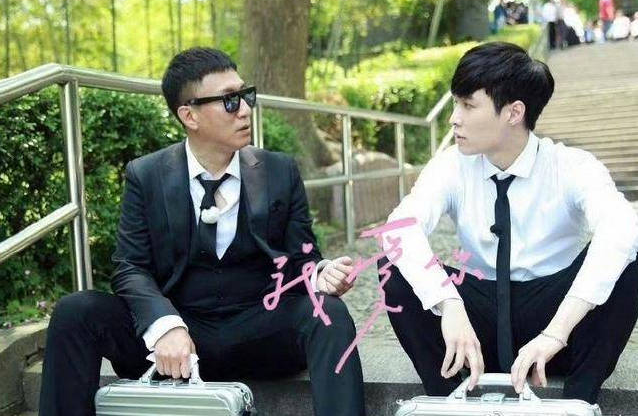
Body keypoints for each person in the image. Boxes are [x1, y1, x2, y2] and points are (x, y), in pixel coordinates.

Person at [38, 47, 366, 416]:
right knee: (76, 311)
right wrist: (165, 325)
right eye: (229, 100)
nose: (245, 109)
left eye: (245, 95)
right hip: (177, 338)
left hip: (260, 331)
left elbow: (302, 257)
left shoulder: (278, 171)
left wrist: (322, 274)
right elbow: (130, 267)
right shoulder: (147, 175)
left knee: (329, 313)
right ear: (189, 115)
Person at [380, 42, 638, 405]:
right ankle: (448, 401)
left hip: (556, 324)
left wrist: (557, 331)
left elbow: (622, 228)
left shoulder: (571, 166)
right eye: (455, 104)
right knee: (392, 267)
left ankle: (578, 403)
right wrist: (448, 303)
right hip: (474, 328)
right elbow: (399, 229)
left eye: (468, 105)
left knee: (628, 258)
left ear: (514, 112)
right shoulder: (451, 165)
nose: (454, 118)